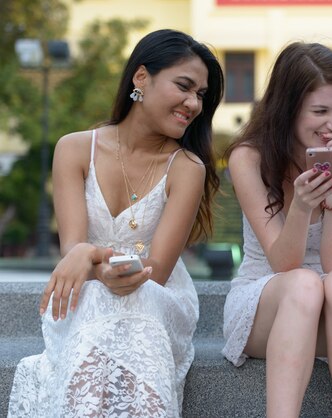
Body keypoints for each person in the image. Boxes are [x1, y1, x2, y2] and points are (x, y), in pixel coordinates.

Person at [8, 29, 224, 417]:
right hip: (88, 292)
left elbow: (156, 272)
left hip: (155, 298)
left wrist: (89, 254)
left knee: (131, 297)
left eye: (201, 95)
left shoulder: (188, 167)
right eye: (184, 86)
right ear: (141, 78)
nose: (193, 103)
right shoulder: (74, 148)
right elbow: (72, 252)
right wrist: (89, 257)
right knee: (94, 295)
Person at [222, 42, 332, 418]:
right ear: (289, 109)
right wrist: (302, 205)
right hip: (268, 301)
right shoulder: (249, 158)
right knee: (305, 284)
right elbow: (284, 263)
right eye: (320, 111)